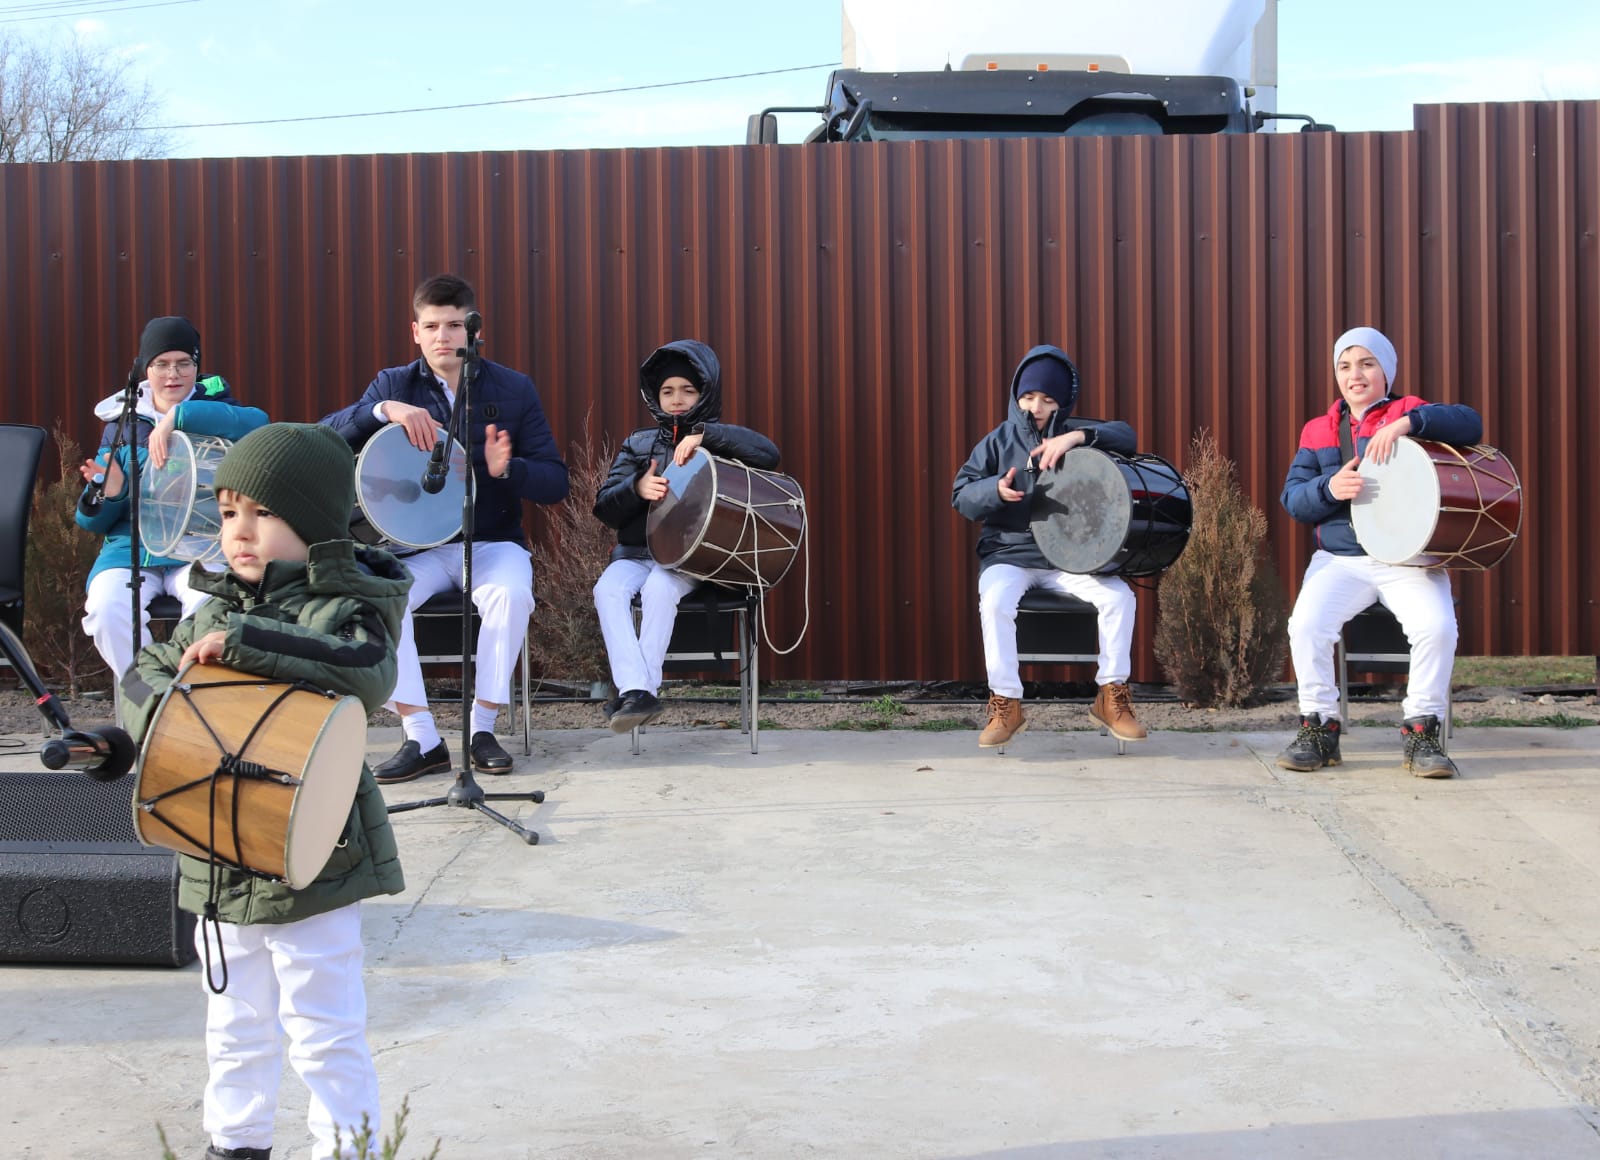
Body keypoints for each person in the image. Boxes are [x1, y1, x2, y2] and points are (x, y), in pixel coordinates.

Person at [120, 423, 411, 1160]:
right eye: (227, 514)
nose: (239, 532)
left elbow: (367, 669)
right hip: (217, 852)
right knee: (234, 1023)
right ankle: (235, 1142)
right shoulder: (211, 606)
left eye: (262, 513)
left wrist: (248, 645)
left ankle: (348, 1147)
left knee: (324, 1030)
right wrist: (161, 716)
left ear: (314, 524)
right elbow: (142, 674)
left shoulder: (349, 604)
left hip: (315, 857)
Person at [321, 274, 569, 783]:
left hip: (492, 540)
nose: (443, 336)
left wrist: (509, 470)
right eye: (432, 326)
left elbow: (555, 482)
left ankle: (482, 729)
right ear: (415, 331)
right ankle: (423, 738)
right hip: (415, 549)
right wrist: (381, 410)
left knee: (510, 595)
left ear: (474, 330)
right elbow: (323, 438)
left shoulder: (513, 388)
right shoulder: (393, 385)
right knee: (381, 602)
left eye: (454, 325)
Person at [1277, 326, 1482, 778]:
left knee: (1437, 628)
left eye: (1367, 364)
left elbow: (1470, 423)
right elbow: (1293, 500)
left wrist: (1408, 424)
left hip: (1409, 560)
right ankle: (1319, 728)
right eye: (1345, 366)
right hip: (1341, 560)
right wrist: (1329, 488)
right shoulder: (1317, 430)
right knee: (1306, 626)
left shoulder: (1411, 410)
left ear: (1385, 372)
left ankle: (1422, 732)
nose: (1355, 375)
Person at [952, 344, 1147, 748]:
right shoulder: (998, 440)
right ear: (1016, 396)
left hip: (1071, 559)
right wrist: (995, 490)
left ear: (1062, 402)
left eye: (1047, 398)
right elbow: (962, 495)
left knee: (1119, 598)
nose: (1036, 406)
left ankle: (1111, 697)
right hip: (1009, 555)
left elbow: (1127, 436)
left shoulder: (1080, 436)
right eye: (1028, 396)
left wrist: (1076, 437)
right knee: (996, 601)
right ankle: (1006, 703)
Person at [592, 339, 779, 732]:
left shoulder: (721, 441)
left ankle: (637, 692)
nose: (676, 399)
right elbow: (604, 507)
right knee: (607, 590)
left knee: (659, 589)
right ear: (655, 396)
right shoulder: (638, 444)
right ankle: (638, 691)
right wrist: (636, 489)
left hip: (688, 559)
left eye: (688, 390)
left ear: (704, 393)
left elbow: (769, 454)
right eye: (667, 391)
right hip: (634, 553)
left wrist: (706, 435)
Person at [76, 316, 268, 678]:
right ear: (145, 370)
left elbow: (259, 422)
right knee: (106, 610)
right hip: (131, 554)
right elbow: (90, 521)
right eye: (161, 364)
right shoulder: (122, 423)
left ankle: (186, 694)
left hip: (201, 549)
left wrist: (178, 416)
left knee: (212, 608)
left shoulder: (219, 409)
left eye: (183, 363)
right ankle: (148, 693)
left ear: (196, 366)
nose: (172, 374)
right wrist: (110, 494)